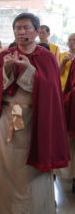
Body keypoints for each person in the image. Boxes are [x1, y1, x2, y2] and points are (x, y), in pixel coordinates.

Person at [0, 13, 69, 214]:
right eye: (17, 28)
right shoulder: (4, 56)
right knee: (5, 170)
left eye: (26, 28)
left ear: (37, 31)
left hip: (33, 121)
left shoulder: (47, 57)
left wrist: (30, 70)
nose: (21, 32)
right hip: (6, 119)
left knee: (28, 174)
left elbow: (51, 91)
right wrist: (5, 70)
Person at [58, 33, 75, 192]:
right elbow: (58, 73)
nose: (71, 42)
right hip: (64, 95)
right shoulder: (63, 54)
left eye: (74, 40)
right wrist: (63, 62)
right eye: (70, 40)